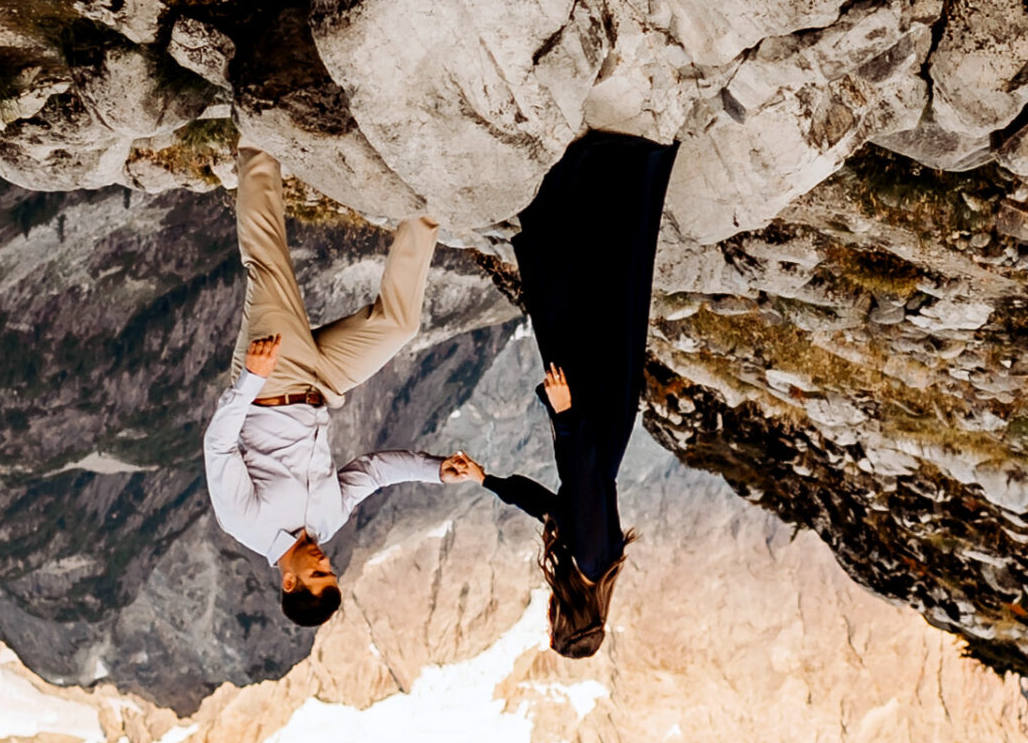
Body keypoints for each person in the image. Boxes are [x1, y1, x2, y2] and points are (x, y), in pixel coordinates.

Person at [203, 147, 485, 629]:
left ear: (290, 582)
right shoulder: (329, 523)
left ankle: (258, 136)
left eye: (318, 571)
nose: (324, 558)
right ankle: (427, 200)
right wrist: (437, 471)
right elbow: (373, 472)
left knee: (268, 263)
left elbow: (219, 445)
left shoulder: (244, 522)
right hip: (325, 382)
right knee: (399, 325)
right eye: (331, 568)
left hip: (273, 377)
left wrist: (252, 375)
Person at [482, 130, 680, 657]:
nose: (546, 622)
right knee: (588, 300)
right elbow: (587, 479)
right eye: (552, 629)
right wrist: (567, 416)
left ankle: (593, 182)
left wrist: (489, 481)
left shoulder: (589, 565)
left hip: (597, 424)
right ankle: (602, 172)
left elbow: (550, 507)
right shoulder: (591, 559)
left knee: (593, 303)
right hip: (591, 420)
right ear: (565, 622)